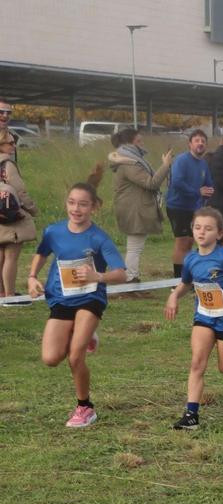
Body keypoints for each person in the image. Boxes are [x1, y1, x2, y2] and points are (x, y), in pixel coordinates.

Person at [26, 183, 127, 427]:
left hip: (90, 299)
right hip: (61, 298)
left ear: (94, 207)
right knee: (51, 358)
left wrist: (97, 276)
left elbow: (121, 274)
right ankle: (82, 332)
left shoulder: (99, 238)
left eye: (83, 204)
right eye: (72, 202)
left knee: (75, 356)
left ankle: (85, 407)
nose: (76, 209)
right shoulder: (54, 231)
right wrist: (31, 277)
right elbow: (42, 253)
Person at [163, 207, 223, 430]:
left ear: (219, 233)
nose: (201, 232)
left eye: (208, 229)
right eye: (197, 228)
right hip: (204, 317)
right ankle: (191, 415)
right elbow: (186, 283)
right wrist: (174, 296)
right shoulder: (191, 259)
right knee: (197, 363)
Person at [107, 128, 172, 283]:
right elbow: (151, 183)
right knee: (134, 247)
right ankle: (130, 277)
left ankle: (131, 276)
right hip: (134, 209)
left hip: (133, 207)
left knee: (135, 246)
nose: (142, 144)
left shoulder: (128, 160)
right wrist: (166, 165)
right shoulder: (130, 163)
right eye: (139, 141)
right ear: (129, 144)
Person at [165, 129, 214, 278]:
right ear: (190, 144)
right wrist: (197, 192)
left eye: (203, 141)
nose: (200, 143)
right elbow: (177, 182)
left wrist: (211, 190)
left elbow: (208, 183)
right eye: (197, 141)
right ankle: (177, 281)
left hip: (194, 208)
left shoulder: (203, 164)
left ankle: (187, 277)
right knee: (182, 242)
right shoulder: (182, 160)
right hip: (178, 207)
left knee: (190, 242)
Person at [0, 131, 36, 299]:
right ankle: (10, 293)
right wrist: (32, 208)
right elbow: (20, 191)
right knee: (11, 257)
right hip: (11, 215)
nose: (14, 145)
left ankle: (1, 292)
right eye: (10, 143)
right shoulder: (7, 164)